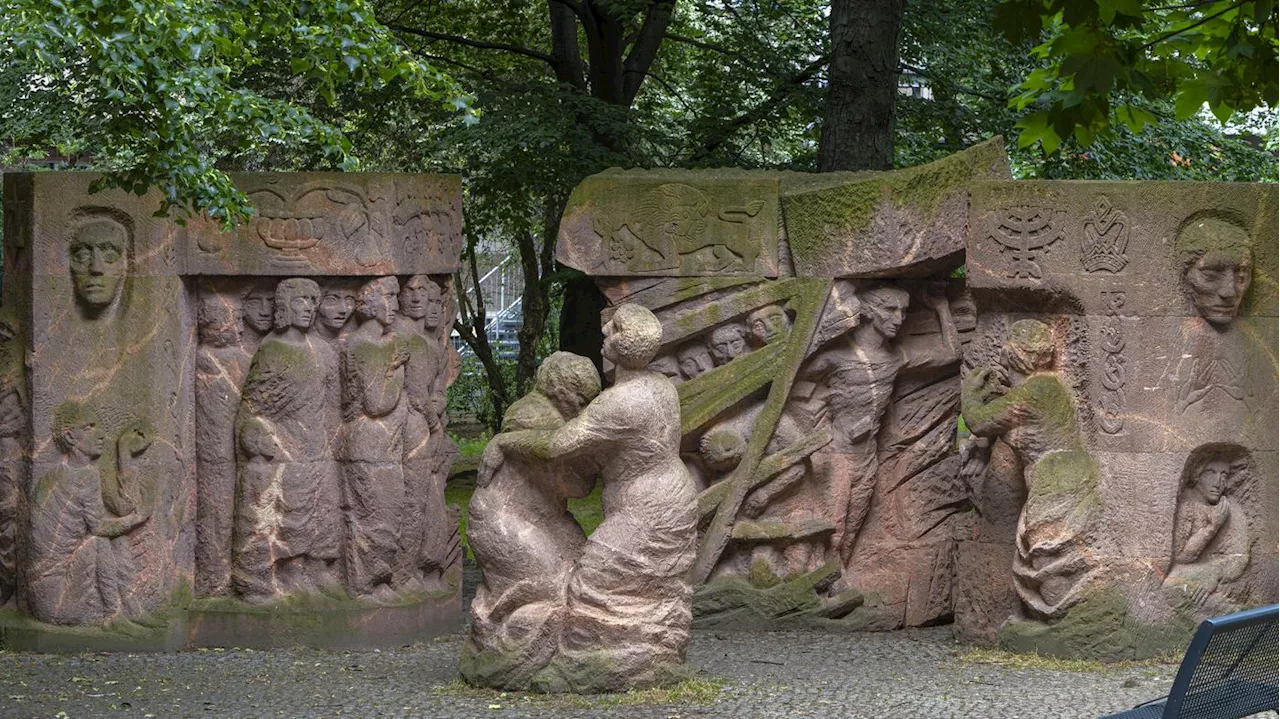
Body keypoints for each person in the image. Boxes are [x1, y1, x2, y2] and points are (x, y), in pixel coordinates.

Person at [475, 304, 697, 691]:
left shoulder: (620, 402)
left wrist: (504, 442)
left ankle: (585, 668)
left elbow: (559, 444)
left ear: (617, 343)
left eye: (610, 330)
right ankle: (643, 655)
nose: (604, 332)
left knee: (593, 580)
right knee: (647, 582)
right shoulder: (660, 386)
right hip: (671, 494)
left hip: (648, 507)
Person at [800, 284, 957, 568]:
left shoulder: (894, 358)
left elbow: (950, 353)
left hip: (867, 456)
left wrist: (942, 308)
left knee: (852, 527)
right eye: (890, 310)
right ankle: (816, 582)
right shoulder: (835, 357)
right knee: (833, 527)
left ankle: (837, 579)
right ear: (870, 312)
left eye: (903, 311)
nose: (898, 318)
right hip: (838, 452)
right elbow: (794, 385)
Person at [962, 319, 1100, 619]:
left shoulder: (1035, 391)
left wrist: (970, 394)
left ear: (1012, 354)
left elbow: (979, 421)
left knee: (1046, 552)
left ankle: (1063, 620)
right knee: (1044, 550)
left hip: (1058, 478)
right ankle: (1058, 617)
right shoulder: (1046, 386)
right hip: (1064, 474)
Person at [233, 278, 341, 600]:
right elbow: (254, 406)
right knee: (286, 514)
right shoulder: (273, 349)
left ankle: (308, 570)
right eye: (300, 301)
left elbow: (331, 405)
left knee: (322, 511)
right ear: (284, 307)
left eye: (312, 301)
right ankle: (276, 573)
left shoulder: (323, 350)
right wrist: (256, 435)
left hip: (317, 445)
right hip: (284, 445)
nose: (308, 307)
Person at [338, 277, 409, 599]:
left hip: (382, 444)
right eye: (389, 297)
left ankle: (377, 579)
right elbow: (377, 403)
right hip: (368, 441)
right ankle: (365, 583)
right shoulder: (364, 346)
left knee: (388, 513)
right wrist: (398, 369)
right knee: (374, 516)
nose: (395, 305)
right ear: (370, 303)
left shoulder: (374, 345)